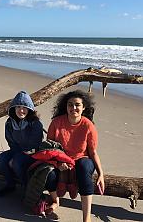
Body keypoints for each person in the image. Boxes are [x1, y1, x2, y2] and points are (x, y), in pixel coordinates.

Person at [45, 90, 105, 222]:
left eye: (77, 105)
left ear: (83, 107)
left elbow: (93, 152)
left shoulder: (88, 125)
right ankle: (55, 200)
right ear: (65, 106)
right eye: (70, 105)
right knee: (49, 173)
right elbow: (49, 149)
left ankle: (86, 218)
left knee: (84, 167)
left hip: (82, 159)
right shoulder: (56, 123)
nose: (73, 108)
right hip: (60, 159)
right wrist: (58, 163)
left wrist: (101, 174)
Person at [0, 91, 44, 197]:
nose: (21, 110)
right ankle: (10, 185)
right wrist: (16, 153)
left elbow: (34, 144)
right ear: (13, 108)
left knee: (17, 163)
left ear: (29, 109)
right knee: (1, 159)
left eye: (24, 107)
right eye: (18, 107)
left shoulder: (35, 124)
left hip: (33, 153)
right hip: (16, 150)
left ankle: (28, 188)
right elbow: (10, 141)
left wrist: (18, 156)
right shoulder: (9, 122)